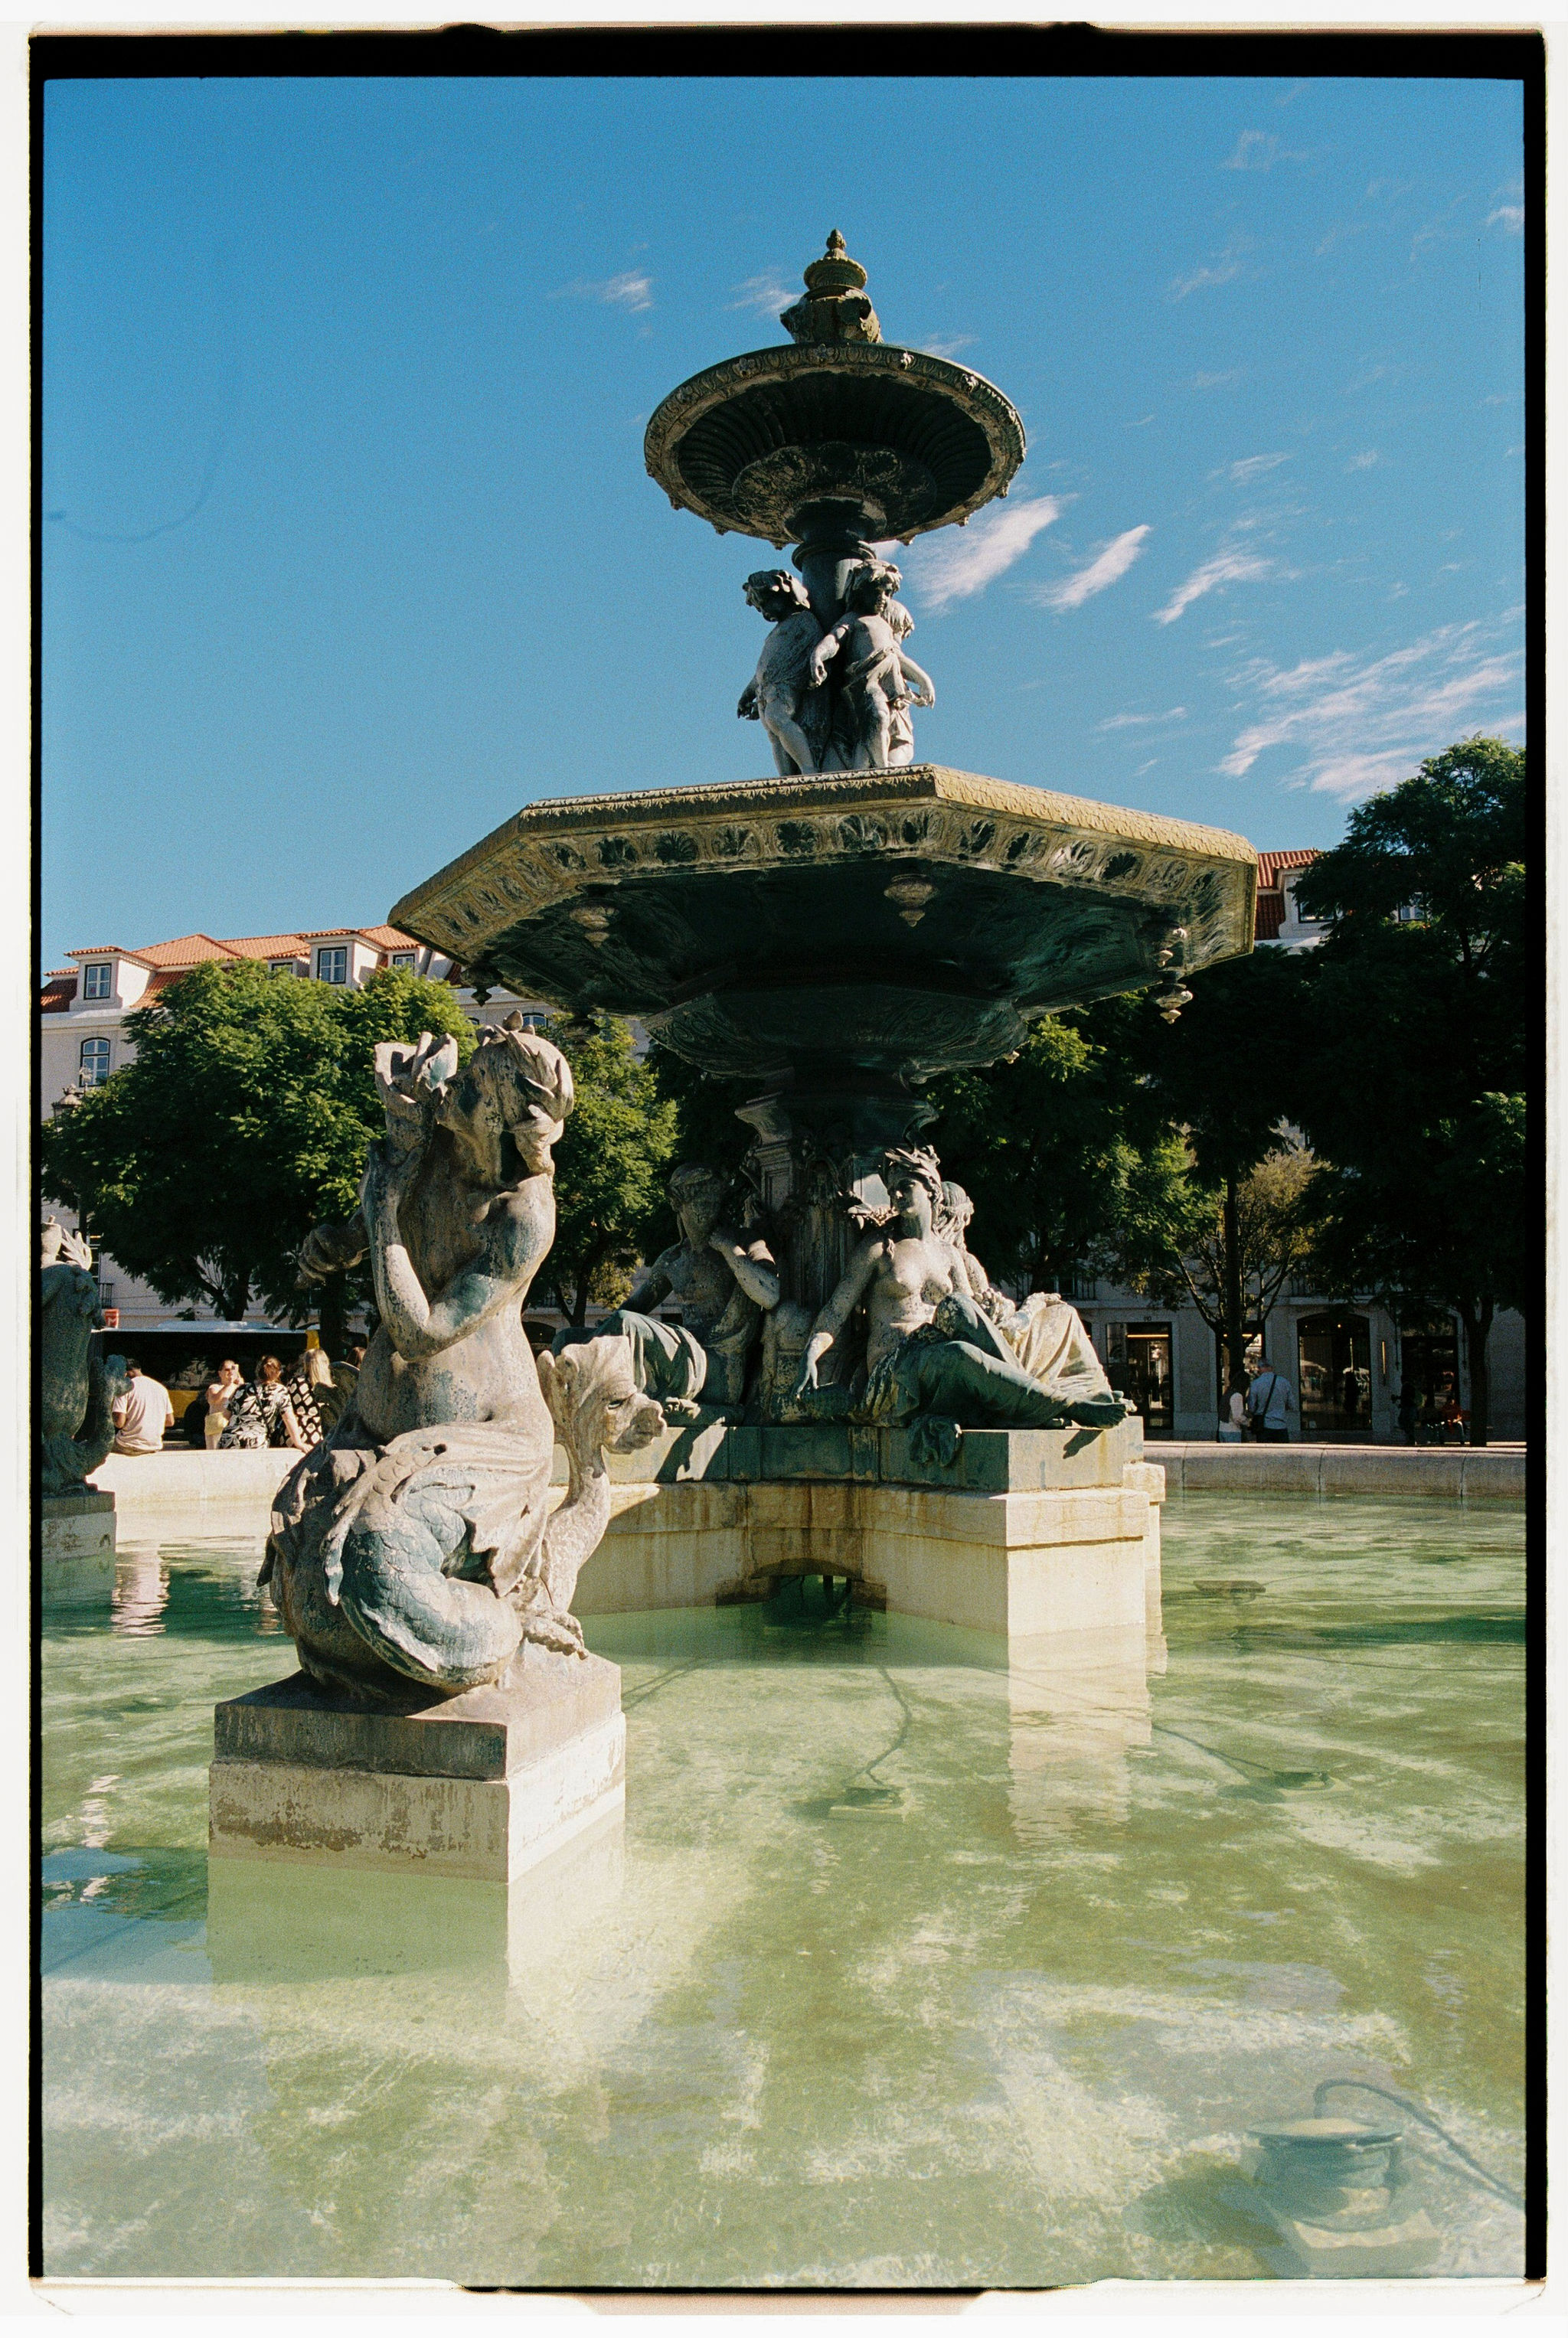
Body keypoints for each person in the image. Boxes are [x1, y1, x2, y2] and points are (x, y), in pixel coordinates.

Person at [218, 1355, 300, 1451]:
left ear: (258, 1371)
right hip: (256, 1440)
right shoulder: (280, 1391)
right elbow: (289, 1418)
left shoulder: (242, 1388)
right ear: (278, 1373)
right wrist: (298, 1443)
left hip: (230, 1439)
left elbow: (225, 1415)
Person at [110, 1359, 175, 1455]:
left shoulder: (124, 1388)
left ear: (125, 1373)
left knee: (97, 1446)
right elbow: (170, 1421)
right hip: (154, 1444)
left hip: (128, 1444)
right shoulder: (161, 1389)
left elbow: (120, 1423)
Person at [282, 1345, 339, 1448]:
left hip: (296, 1435)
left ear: (306, 1363)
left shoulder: (296, 1382)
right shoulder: (332, 1387)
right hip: (322, 1435)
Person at [1246, 1363, 1295, 1443]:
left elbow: (1251, 1406)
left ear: (1259, 1369)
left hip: (1264, 1426)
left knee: (1264, 1454)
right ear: (1271, 1368)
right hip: (1281, 1425)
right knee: (1283, 1453)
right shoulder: (1284, 1382)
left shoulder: (1256, 1384)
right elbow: (1292, 1405)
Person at [204, 1358, 243, 1451]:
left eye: (232, 1370)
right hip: (217, 1428)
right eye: (227, 1370)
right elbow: (214, 1400)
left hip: (233, 1428)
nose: (230, 1372)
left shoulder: (239, 1388)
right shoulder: (215, 1387)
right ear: (220, 1373)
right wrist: (228, 1385)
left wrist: (242, 1385)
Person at [1218, 1377, 1247, 1442]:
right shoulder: (1237, 1396)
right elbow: (1237, 1417)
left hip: (1222, 1428)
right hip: (1233, 1430)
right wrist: (1247, 1421)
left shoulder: (1227, 1394)